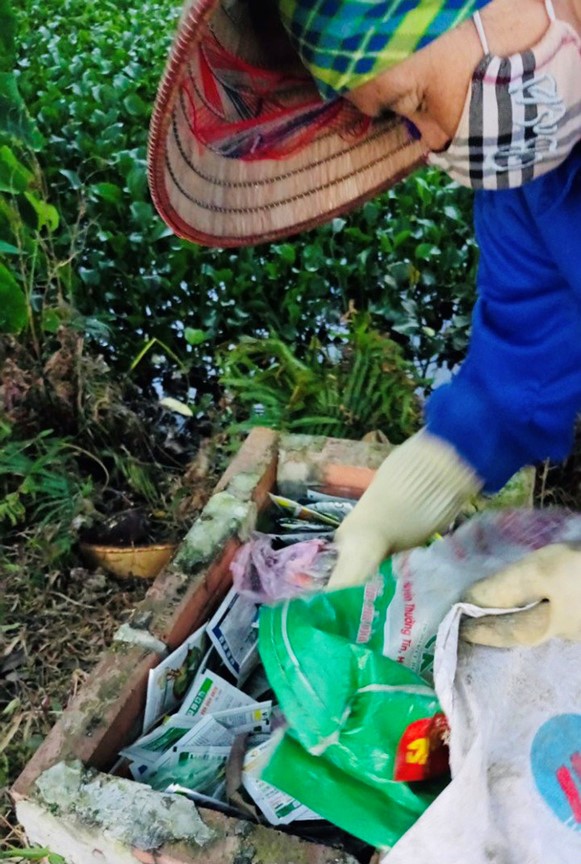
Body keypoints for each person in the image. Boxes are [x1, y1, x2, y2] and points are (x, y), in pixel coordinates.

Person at [148, 0, 581, 647]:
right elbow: (523, 364)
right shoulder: (533, 178)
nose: (431, 141)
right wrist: (419, 484)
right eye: (401, 120)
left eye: (416, 100)